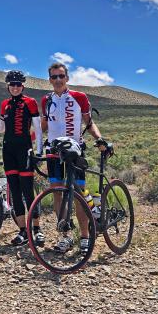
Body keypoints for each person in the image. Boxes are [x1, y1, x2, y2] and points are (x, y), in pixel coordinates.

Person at [40, 62, 111, 253]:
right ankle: (65, 236)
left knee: (79, 193)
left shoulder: (79, 97)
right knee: (56, 192)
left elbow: (89, 122)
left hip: (75, 150)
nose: (57, 80)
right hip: (54, 151)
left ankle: (85, 237)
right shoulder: (46, 100)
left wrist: (100, 139)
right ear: (49, 80)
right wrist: (27, 140)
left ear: (67, 78)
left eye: (61, 76)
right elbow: (43, 126)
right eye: (54, 77)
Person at [0, 70, 44, 246]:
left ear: (22, 86)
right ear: (7, 86)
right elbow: (1, 129)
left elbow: (37, 129)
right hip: (8, 150)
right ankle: (23, 231)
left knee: (27, 191)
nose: (15, 87)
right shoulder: (5, 104)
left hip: (25, 150)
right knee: (15, 191)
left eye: (18, 84)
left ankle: (37, 230)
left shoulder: (30, 102)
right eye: (12, 84)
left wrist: (39, 151)